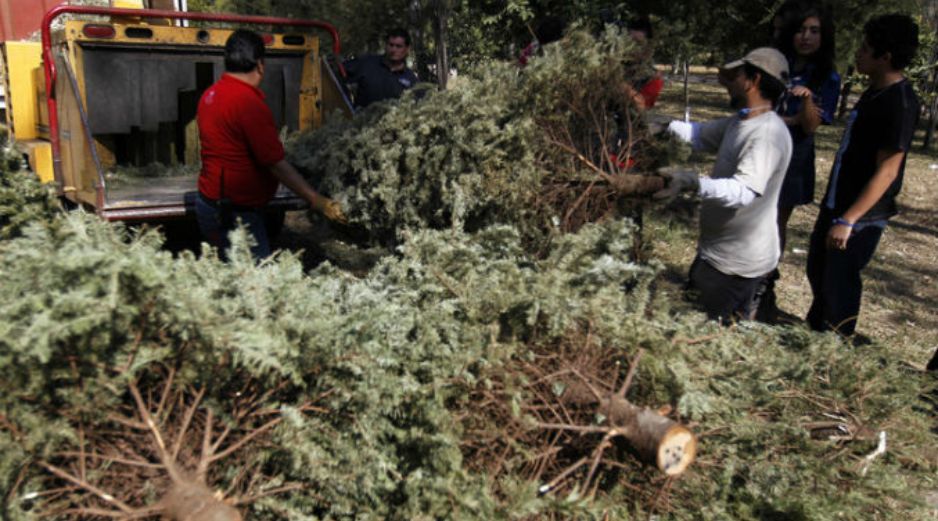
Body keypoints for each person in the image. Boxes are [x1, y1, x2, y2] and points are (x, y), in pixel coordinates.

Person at [656, 48, 792, 323]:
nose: (728, 83)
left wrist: (692, 183)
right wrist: (661, 125)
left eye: (735, 76)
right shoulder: (741, 121)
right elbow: (698, 135)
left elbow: (743, 192)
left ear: (752, 80)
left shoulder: (766, 134)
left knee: (701, 333)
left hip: (735, 267)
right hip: (716, 253)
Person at [806, 14, 920, 337]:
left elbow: (887, 171)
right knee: (818, 269)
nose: (858, 52)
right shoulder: (874, 91)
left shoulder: (900, 103)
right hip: (838, 202)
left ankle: (834, 348)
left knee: (839, 284)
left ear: (886, 57)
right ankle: (814, 335)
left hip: (860, 216)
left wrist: (849, 220)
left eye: (866, 48)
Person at [196, 29, 346, 260]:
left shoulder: (211, 94)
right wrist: (316, 200)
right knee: (255, 287)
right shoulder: (248, 104)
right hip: (235, 215)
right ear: (260, 65)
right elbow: (275, 163)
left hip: (210, 204)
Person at [758, 4, 841, 321]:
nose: (805, 37)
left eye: (814, 31)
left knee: (777, 220)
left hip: (793, 155)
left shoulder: (826, 77)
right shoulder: (777, 63)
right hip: (762, 144)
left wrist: (806, 102)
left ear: (824, 36)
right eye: (801, 30)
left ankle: (766, 283)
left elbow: (811, 125)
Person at [344, 28, 419, 108]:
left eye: (398, 46)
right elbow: (336, 75)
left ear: (407, 49)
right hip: (360, 118)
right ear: (385, 45)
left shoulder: (411, 80)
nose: (393, 50)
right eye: (391, 45)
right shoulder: (367, 63)